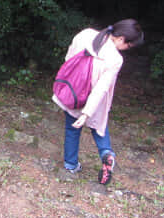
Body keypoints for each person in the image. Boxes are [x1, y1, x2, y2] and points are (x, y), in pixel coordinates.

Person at [52, 19, 144, 185]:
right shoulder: (115, 59)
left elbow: (69, 58)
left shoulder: (86, 34)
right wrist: (87, 113)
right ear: (122, 39)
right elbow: (102, 88)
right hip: (95, 98)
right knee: (99, 126)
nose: (126, 50)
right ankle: (106, 153)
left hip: (74, 92)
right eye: (128, 46)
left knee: (72, 127)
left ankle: (71, 164)